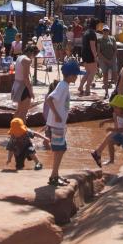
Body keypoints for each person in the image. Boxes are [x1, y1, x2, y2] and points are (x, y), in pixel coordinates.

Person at [44, 59, 80, 187]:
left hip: (58, 124)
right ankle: (54, 176)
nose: (77, 77)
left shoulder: (64, 85)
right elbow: (49, 99)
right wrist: (58, 115)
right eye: (76, 75)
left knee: (61, 149)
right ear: (70, 75)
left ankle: (55, 174)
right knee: (59, 150)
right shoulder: (63, 86)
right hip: (57, 124)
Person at [92, 93, 123, 167]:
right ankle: (111, 160)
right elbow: (113, 120)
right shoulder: (115, 113)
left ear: (122, 108)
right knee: (110, 141)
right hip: (120, 134)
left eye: (116, 107)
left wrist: (112, 129)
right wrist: (105, 121)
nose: (114, 109)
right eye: (113, 107)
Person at [11, 43, 37, 121]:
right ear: (31, 53)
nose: (33, 57)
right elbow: (26, 78)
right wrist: (31, 91)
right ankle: (21, 131)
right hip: (23, 87)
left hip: (16, 85)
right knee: (23, 113)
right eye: (34, 55)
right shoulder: (27, 60)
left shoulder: (19, 57)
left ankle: (13, 129)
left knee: (19, 111)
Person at [79, 19, 100, 95]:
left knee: (88, 72)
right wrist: (96, 56)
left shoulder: (86, 32)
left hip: (84, 54)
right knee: (93, 71)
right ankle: (87, 88)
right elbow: (92, 46)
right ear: (95, 25)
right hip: (90, 54)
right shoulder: (92, 33)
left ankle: (81, 86)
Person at [97, 24, 118, 91]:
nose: (105, 31)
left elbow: (115, 49)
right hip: (103, 60)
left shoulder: (112, 38)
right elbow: (98, 52)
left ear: (109, 31)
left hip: (113, 59)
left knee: (115, 74)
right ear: (102, 31)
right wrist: (106, 60)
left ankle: (117, 90)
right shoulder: (99, 40)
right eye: (104, 30)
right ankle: (106, 91)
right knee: (105, 75)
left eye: (107, 30)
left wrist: (112, 59)